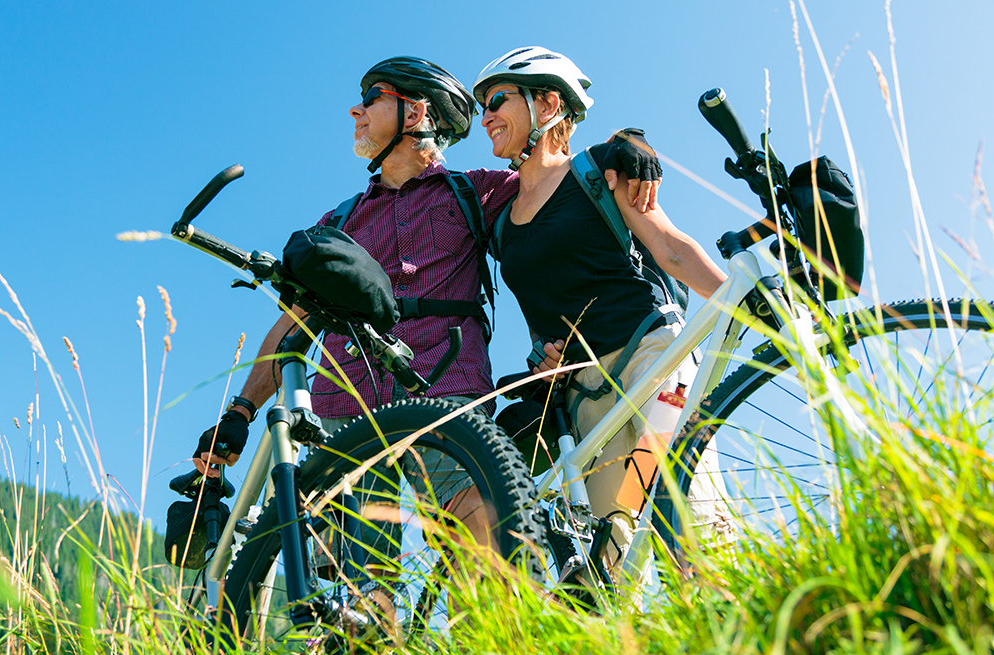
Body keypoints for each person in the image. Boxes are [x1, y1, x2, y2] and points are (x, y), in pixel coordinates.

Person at [190, 56, 661, 578]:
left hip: (444, 389)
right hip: (344, 407)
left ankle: (512, 653)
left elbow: (556, 180)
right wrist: (239, 412)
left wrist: (628, 144)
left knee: (484, 537)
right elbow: (292, 327)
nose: (356, 110)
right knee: (356, 585)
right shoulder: (339, 222)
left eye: (372, 98)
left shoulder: (478, 191)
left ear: (414, 112)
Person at [472, 46, 738, 568]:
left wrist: (742, 300)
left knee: (688, 512)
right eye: (483, 104)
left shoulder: (599, 172)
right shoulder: (500, 225)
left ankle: (737, 628)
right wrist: (542, 365)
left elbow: (670, 248)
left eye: (498, 98)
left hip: (653, 357)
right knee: (614, 557)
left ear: (548, 104)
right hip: (585, 396)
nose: (486, 116)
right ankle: (639, 652)